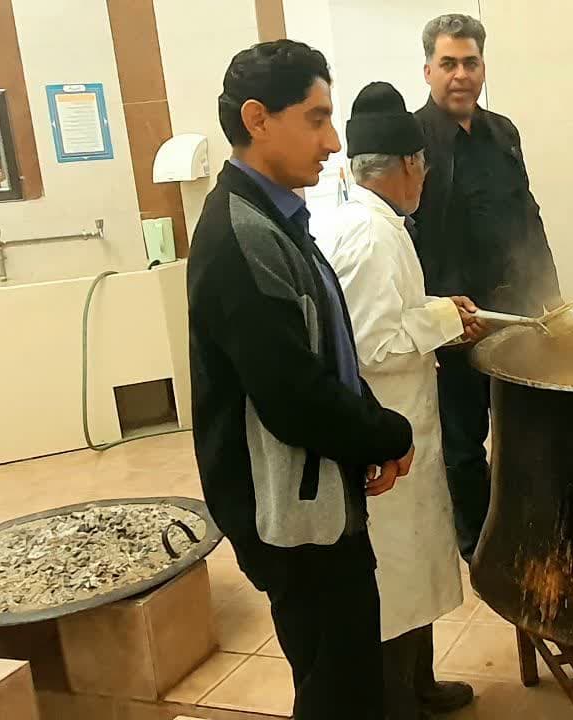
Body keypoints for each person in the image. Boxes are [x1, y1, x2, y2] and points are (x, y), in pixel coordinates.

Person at [187, 40, 415, 719]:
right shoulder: (241, 235)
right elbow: (292, 396)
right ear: (258, 119)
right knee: (337, 690)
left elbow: (325, 348)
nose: (333, 141)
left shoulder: (278, 217)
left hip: (317, 498)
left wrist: (367, 424)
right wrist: (388, 432)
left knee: (346, 676)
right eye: (316, 119)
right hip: (289, 515)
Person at [319, 80, 483, 720]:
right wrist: (441, 319)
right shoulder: (368, 235)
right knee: (394, 576)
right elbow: (370, 344)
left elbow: (392, 313)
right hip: (386, 430)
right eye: (424, 166)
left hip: (407, 423)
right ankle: (396, 702)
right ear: (411, 165)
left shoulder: (379, 223)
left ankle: (420, 683)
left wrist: (438, 309)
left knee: (415, 567)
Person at [413, 13, 563, 563]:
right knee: (463, 441)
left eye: (470, 63)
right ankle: (478, 544)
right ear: (428, 70)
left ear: (482, 67)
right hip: (456, 319)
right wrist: (435, 317)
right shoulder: (414, 139)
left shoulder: (503, 133)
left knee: (524, 428)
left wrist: (551, 297)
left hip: (516, 312)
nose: (461, 75)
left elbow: (528, 216)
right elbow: (410, 236)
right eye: (448, 63)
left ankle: (523, 527)